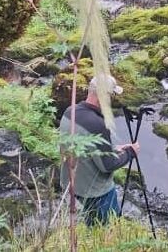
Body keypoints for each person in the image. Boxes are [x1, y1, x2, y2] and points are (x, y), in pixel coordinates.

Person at [59, 75, 140, 226]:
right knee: (107, 229)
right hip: (96, 192)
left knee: (88, 226)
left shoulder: (69, 112)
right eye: (112, 95)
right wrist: (130, 153)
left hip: (70, 184)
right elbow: (107, 166)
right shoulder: (98, 124)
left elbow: (84, 147)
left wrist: (113, 149)